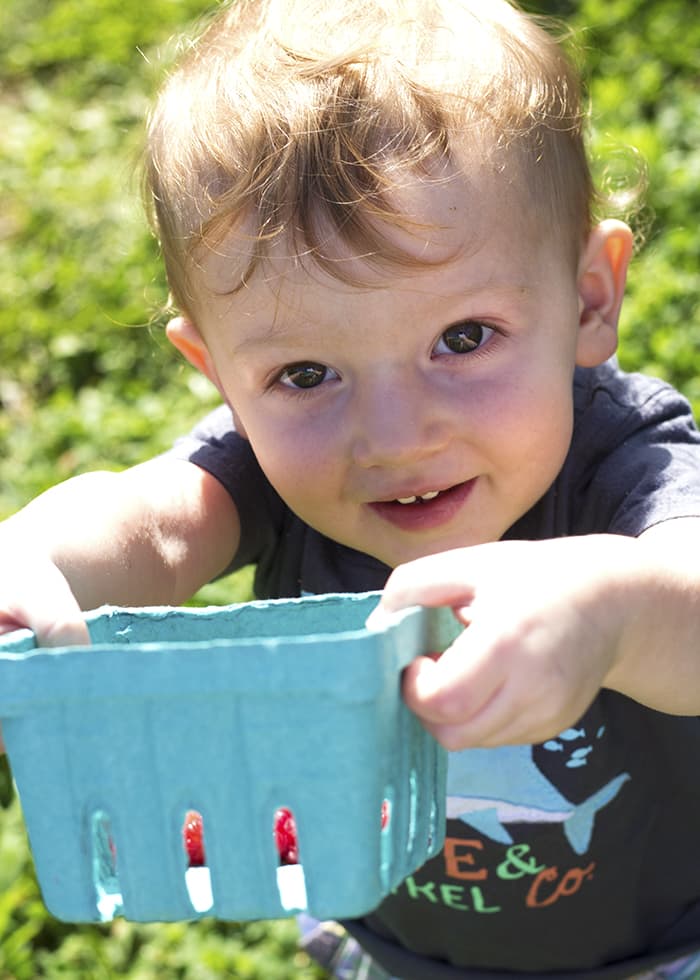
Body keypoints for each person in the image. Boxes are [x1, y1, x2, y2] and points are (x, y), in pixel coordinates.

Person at [1, 0, 699, 976]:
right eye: (304, 374)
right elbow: (148, 524)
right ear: (215, 370)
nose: (394, 435)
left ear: (589, 297)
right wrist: (30, 557)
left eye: (462, 339)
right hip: (389, 941)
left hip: (653, 947)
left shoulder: (627, 459)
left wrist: (616, 616)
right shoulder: (261, 472)